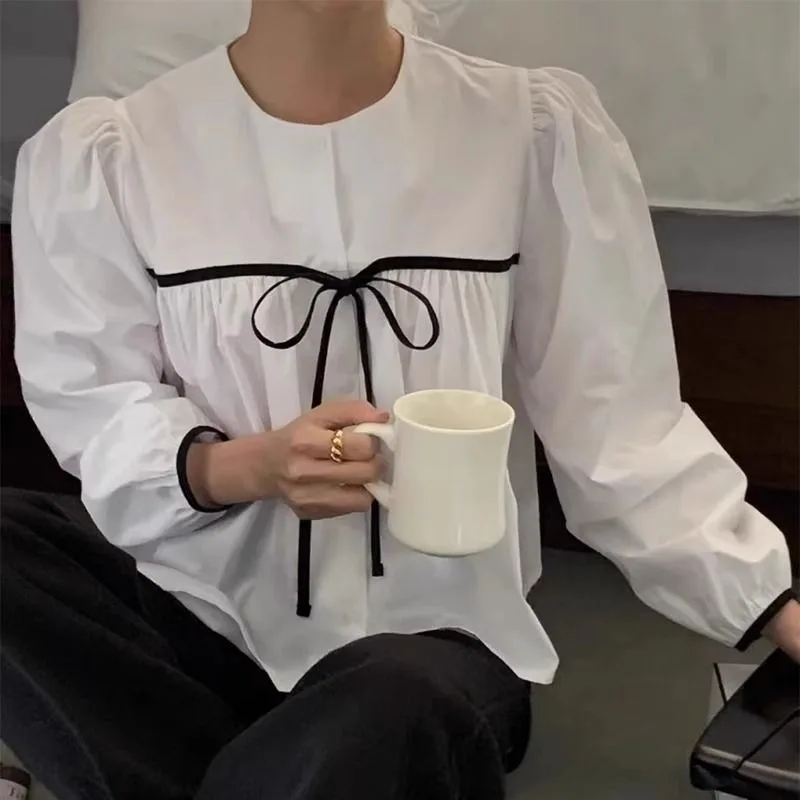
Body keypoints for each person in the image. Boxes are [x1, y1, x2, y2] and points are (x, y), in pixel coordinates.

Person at [4, 1, 798, 798]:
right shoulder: (109, 153)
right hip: (198, 621)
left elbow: (620, 429)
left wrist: (774, 601)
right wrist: (249, 466)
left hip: (435, 643)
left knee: (389, 703)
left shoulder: (530, 132)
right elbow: (96, 403)